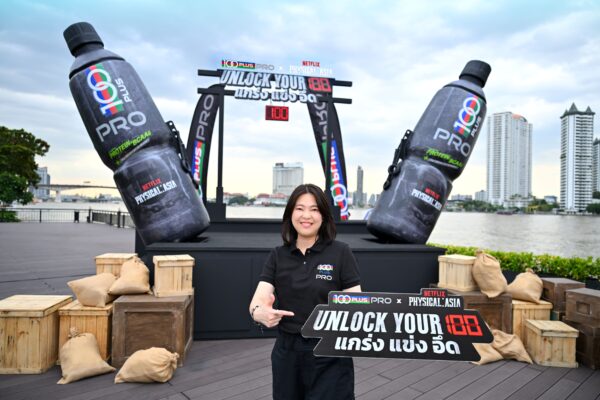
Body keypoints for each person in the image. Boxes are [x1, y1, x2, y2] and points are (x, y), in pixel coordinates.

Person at [249, 183, 362, 400]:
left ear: (324, 216)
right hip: (288, 352)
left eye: (314, 209)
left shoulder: (341, 252)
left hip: (331, 350)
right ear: (290, 214)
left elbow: (357, 302)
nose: (306, 215)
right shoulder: (278, 255)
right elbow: (258, 300)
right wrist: (259, 312)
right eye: (300, 208)